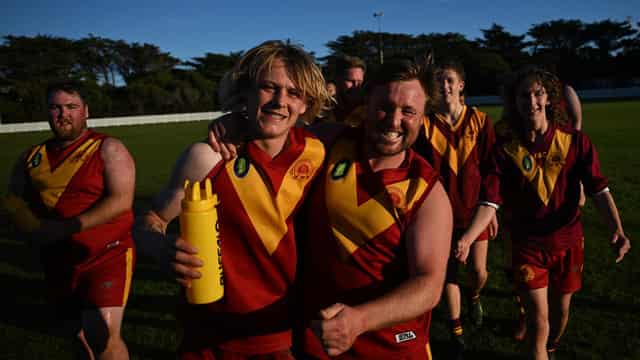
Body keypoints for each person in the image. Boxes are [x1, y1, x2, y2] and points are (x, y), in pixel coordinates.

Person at [133, 40, 330, 359]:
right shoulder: (206, 157)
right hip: (213, 338)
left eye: (293, 93)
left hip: (289, 335)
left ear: (306, 104)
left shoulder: (322, 153)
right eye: (269, 88)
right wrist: (159, 248)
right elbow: (148, 222)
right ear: (246, 91)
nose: (280, 102)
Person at [455, 66, 631, 360]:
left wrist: (617, 228)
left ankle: (551, 347)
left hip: (569, 243)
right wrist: (468, 238)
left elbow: (599, 190)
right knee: (538, 321)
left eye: (538, 93)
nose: (532, 101)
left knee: (560, 314)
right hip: (528, 248)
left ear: (549, 99)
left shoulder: (575, 141)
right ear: (515, 102)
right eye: (524, 95)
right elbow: (490, 202)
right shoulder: (505, 148)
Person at [300, 56, 452, 359]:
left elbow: (429, 285)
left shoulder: (427, 191)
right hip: (315, 340)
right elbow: (270, 141)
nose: (394, 121)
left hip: (393, 348)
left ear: (423, 117)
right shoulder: (328, 143)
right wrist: (237, 123)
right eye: (384, 106)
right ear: (366, 102)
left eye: (408, 111)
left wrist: (359, 320)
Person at [5, 80, 136, 359]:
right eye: (55, 107)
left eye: (71, 107)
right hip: (57, 262)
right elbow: (13, 200)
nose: (63, 114)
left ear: (85, 111)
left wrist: (67, 227)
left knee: (104, 335)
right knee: (77, 336)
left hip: (106, 255)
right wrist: (29, 228)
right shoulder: (31, 157)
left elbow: (121, 201)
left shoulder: (108, 148)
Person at [412, 60, 497, 358]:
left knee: (478, 271)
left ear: (461, 85)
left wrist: (492, 210)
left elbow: (491, 170)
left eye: (450, 80)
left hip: (476, 215)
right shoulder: (424, 124)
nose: (444, 86)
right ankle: (456, 330)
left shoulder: (481, 121)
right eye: (439, 81)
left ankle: (474, 295)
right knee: (448, 274)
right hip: (440, 218)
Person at [331, 55, 366, 126]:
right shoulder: (322, 111)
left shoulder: (369, 112)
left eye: (360, 81)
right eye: (350, 81)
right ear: (337, 79)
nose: (356, 86)